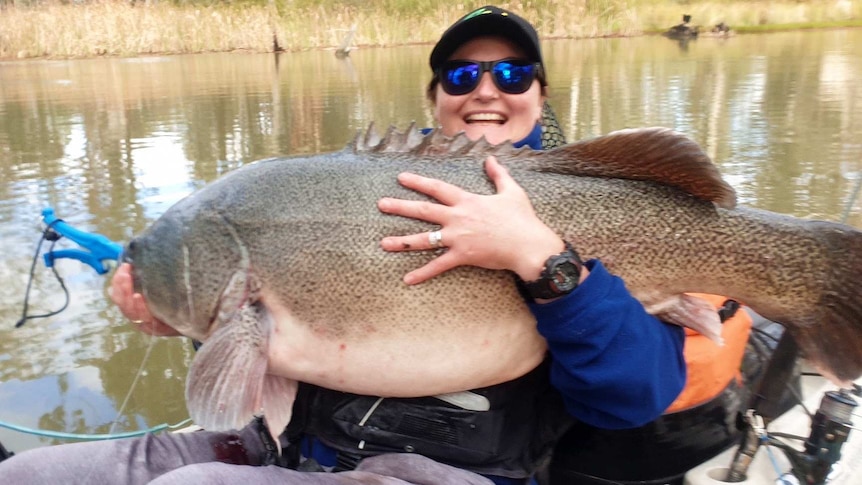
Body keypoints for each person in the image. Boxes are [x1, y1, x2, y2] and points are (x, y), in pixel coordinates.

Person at [0, 6, 687, 485]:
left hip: (446, 472)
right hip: (290, 445)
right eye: (461, 76)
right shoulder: (368, 180)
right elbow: (246, 358)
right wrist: (176, 317)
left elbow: (634, 397)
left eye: (511, 75)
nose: (485, 90)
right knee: (26, 473)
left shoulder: (609, 202)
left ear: (541, 94)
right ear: (436, 96)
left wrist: (547, 262)